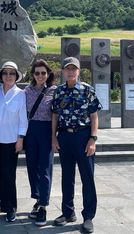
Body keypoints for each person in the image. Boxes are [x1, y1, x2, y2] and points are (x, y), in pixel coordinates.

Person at [51, 57, 102, 234]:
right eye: (67, 69)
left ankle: (88, 216)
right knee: (67, 176)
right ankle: (67, 212)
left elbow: (94, 116)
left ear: (79, 71)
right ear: (63, 72)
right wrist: (53, 138)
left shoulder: (88, 90)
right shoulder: (58, 92)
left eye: (74, 69)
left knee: (87, 177)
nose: (71, 72)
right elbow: (55, 116)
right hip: (64, 136)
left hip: (83, 136)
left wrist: (93, 139)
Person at [0, 61, 28, 222]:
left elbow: (23, 120)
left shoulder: (20, 94)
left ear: (16, 76)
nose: (8, 76)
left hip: (11, 141)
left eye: (12, 73)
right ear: (1, 76)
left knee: (8, 174)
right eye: (6, 73)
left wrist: (20, 139)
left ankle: (10, 207)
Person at [24, 59, 56, 226]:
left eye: (43, 72)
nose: (40, 75)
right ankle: (37, 199)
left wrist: (54, 136)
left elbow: (56, 115)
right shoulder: (27, 91)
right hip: (30, 131)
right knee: (32, 167)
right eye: (37, 73)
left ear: (48, 74)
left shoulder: (53, 91)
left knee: (44, 168)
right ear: (32, 75)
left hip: (46, 131)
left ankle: (43, 205)